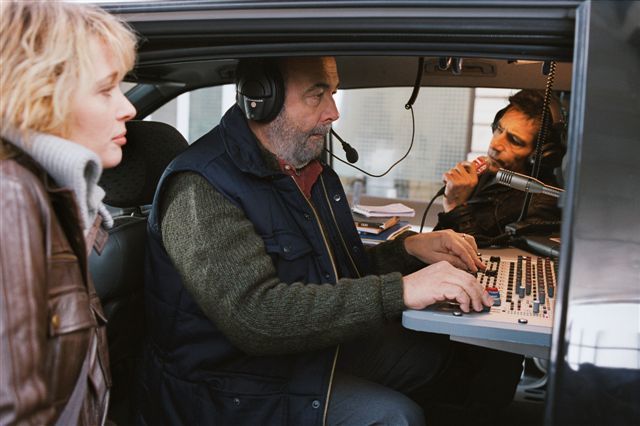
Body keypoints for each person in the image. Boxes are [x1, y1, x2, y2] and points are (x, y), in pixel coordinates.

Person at [139, 56, 521, 425]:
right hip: (230, 386)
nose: (333, 112)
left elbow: (335, 273)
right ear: (261, 98)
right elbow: (255, 318)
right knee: (395, 417)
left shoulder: (304, 170)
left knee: (435, 358)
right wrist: (401, 290)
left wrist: (406, 252)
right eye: (316, 94)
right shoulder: (201, 185)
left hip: (299, 353)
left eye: (333, 93)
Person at [0, 1, 137, 424]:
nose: (127, 108)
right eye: (104, 89)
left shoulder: (54, 196)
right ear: (43, 96)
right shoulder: (12, 197)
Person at [434, 90, 564, 241]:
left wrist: (456, 206)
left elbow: (490, 260)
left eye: (514, 140)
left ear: (539, 155)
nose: (495, 144)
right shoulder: (488, 176)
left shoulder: (542, 204)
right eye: (499, 129)